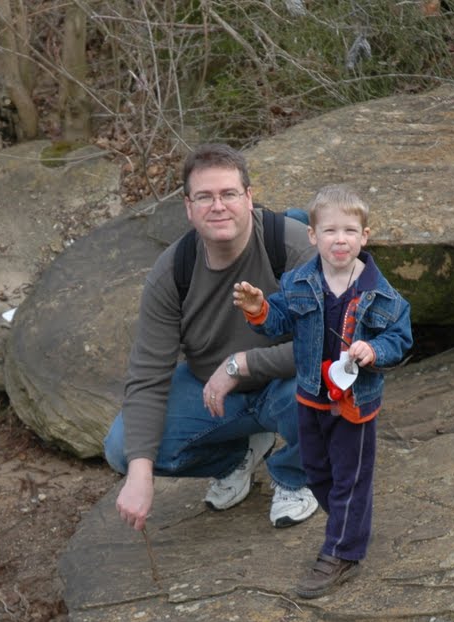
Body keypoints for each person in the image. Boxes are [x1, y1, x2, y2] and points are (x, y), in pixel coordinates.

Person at [103, 143, 319, 532]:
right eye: (204, 197)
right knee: (124, 449)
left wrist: (242, 364)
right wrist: (139, 474)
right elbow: (148, 376)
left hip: (287, 383)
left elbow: (329, 344)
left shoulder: (292, 245)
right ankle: (236, 456)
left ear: (248, 197)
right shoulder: (174, 271)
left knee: (328, 387)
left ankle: (296, 474)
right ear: (188, 207)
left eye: (228, 194)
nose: (218, 206)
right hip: (218, 398)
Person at [232, 183, 413, 598]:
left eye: (350, 231)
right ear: (313, 236)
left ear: (364, 237)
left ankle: (342, 551)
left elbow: (400, 337)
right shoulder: (299, 281)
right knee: (316, 471)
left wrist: (375, 349)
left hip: (354, 403)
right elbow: (277, 321)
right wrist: (259, 308)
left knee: (351, 477)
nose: (340, 239)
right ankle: (350, 523)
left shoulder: (380, 293)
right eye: (330, 231)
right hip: (311, 395)